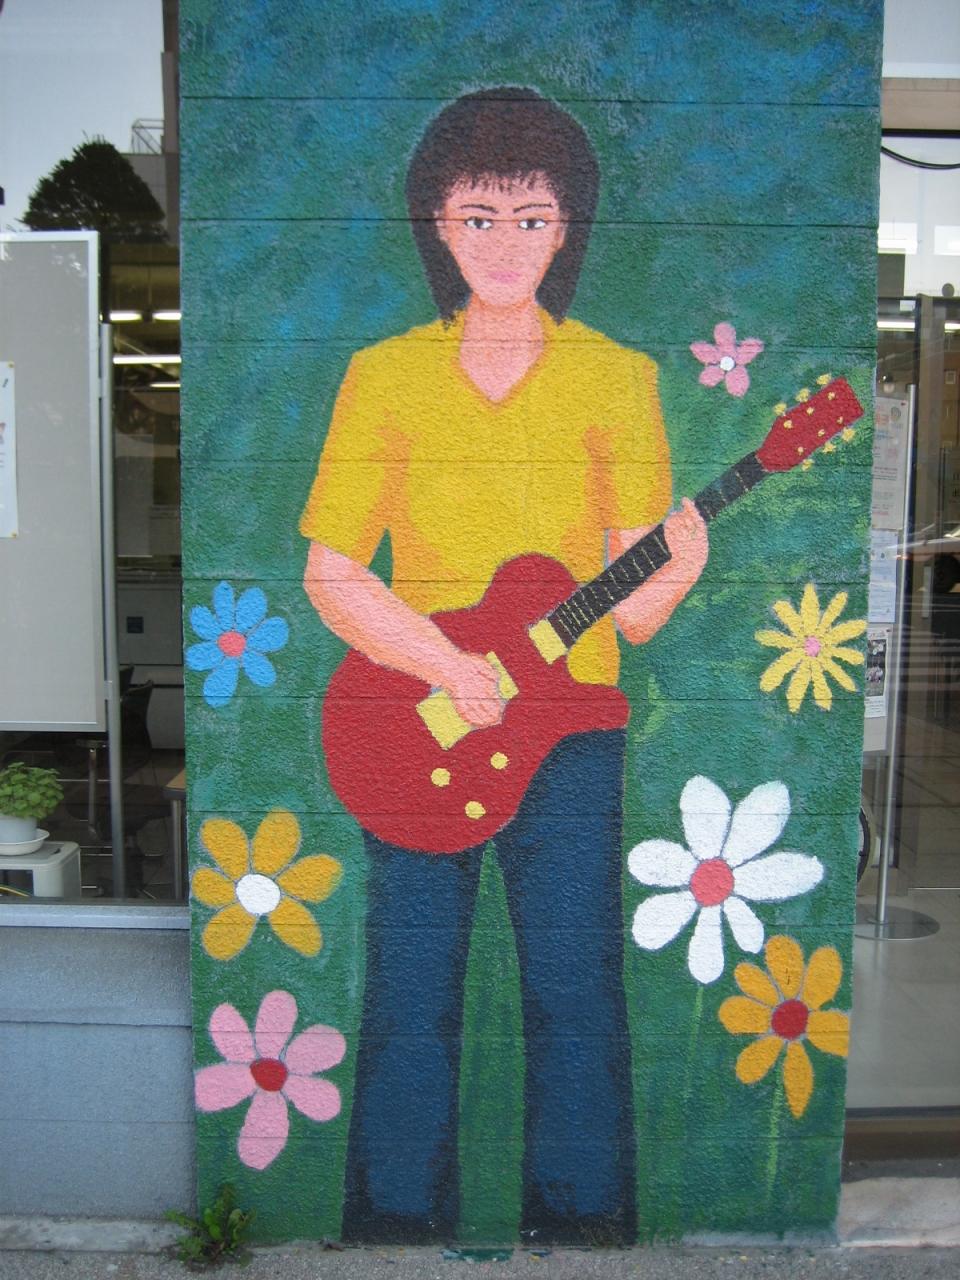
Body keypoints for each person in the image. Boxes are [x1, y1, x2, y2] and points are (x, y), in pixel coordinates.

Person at [300, 87, 708, 1244]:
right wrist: (443, 663)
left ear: (567, 226)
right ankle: (391, 1220)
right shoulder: (385, 375)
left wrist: (681, 566)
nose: (506, 243)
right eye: (478, 217)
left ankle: (583, 1223)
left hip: (571, 734)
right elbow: (333, 571)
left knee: (574, 988)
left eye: (532, 218)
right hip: (415, 719)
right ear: (437, 223)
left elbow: (632, 611)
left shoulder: (618, 378)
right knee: (411, 987)